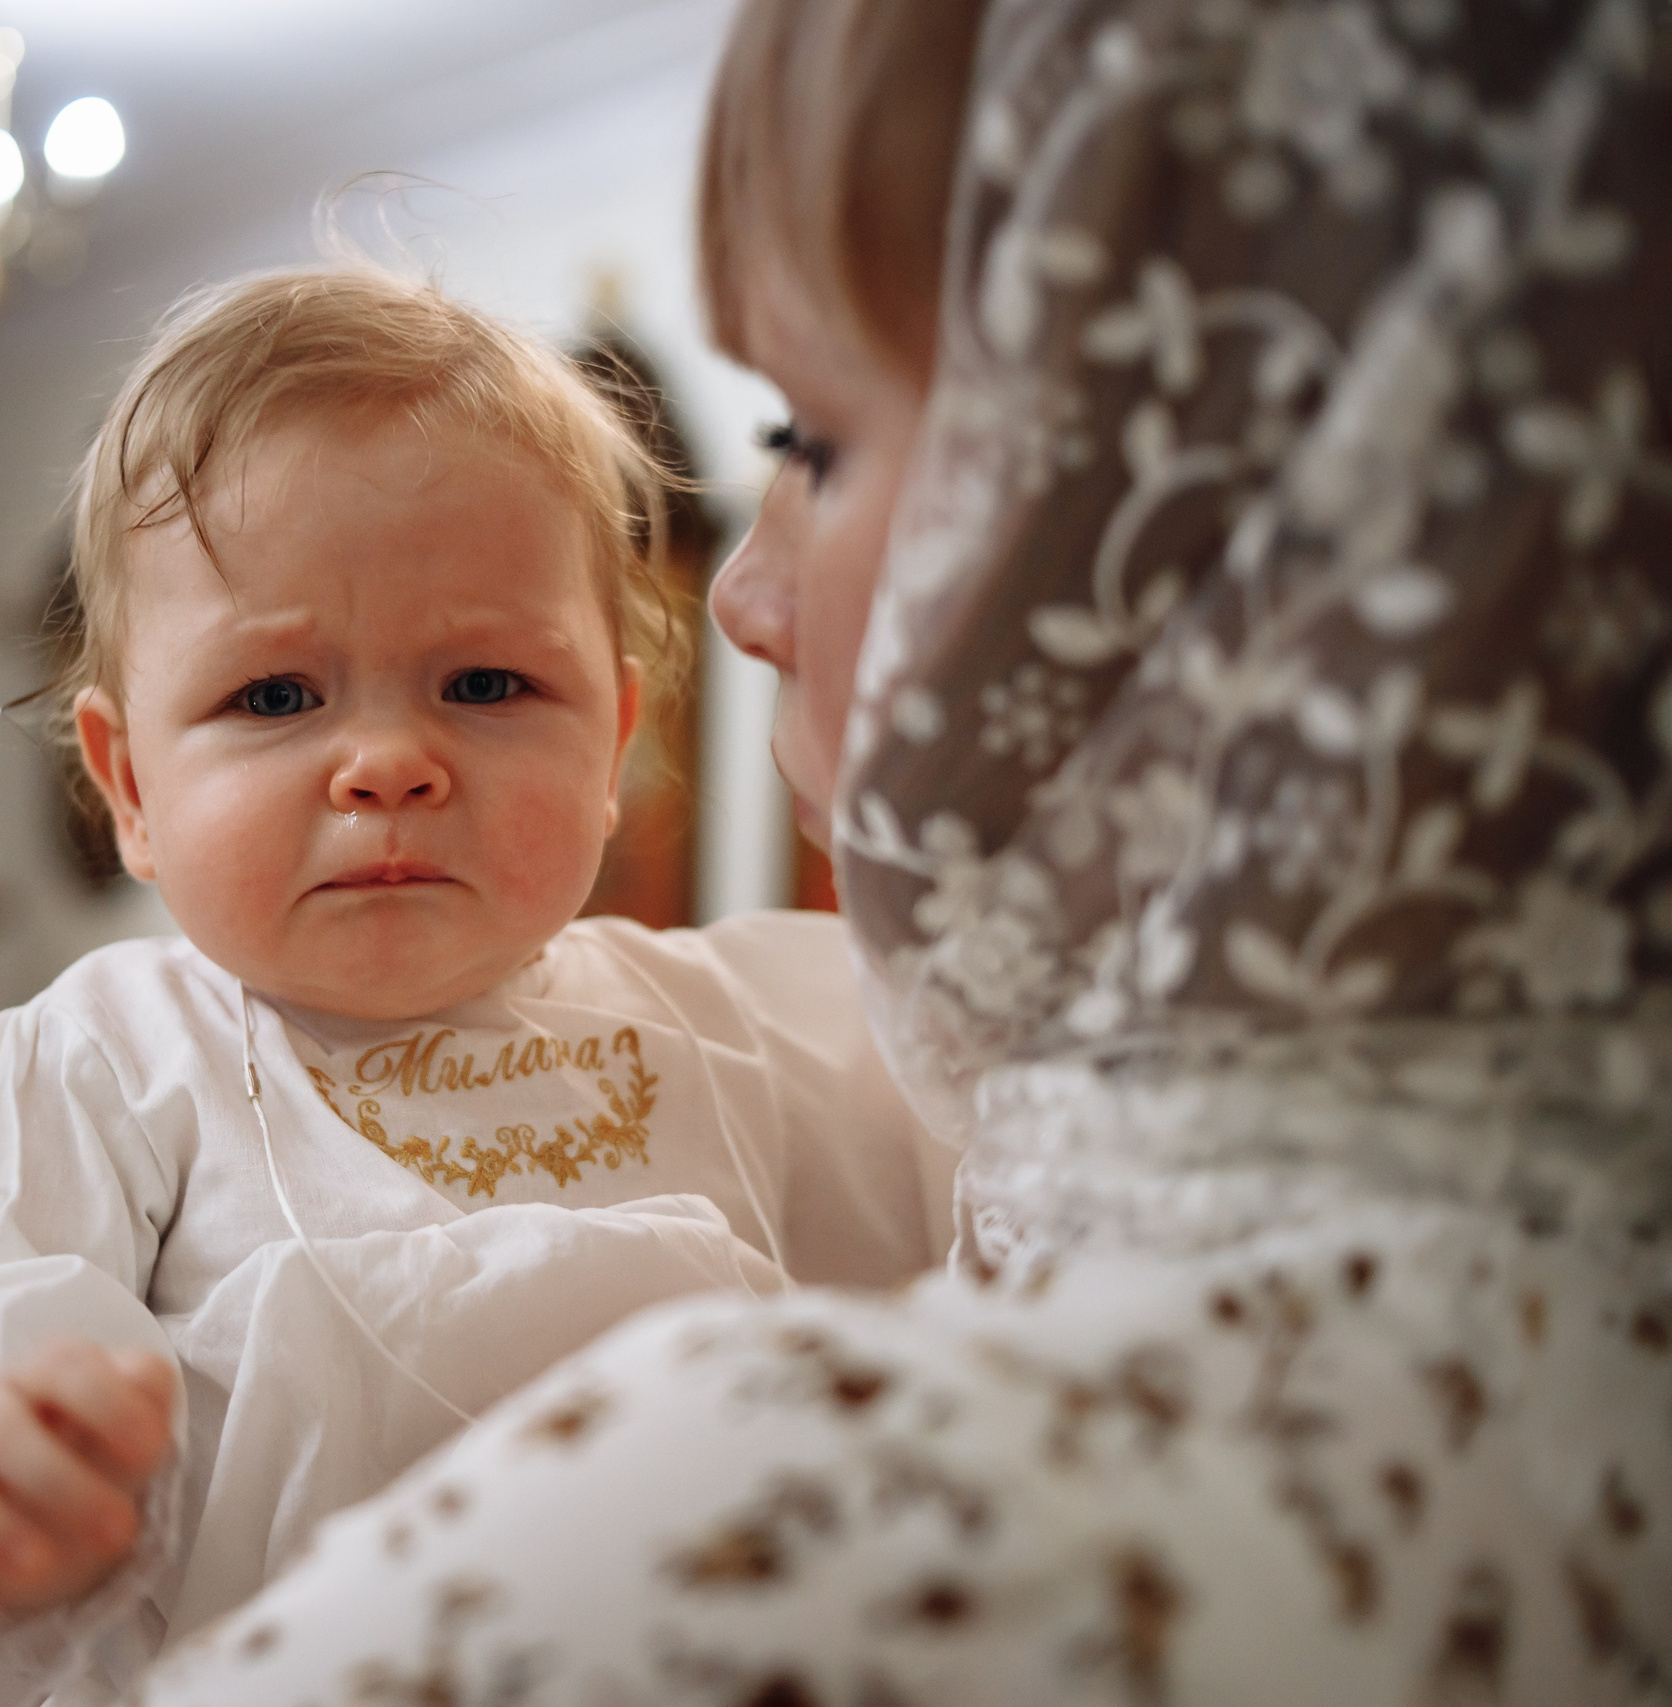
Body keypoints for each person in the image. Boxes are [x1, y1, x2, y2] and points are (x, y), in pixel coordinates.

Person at [122, 0, 1672, 1699]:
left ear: (1274, 535)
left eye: (816, 438)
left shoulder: (714, 1570)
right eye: (274, 693)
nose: (748, 597)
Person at [0, 265, 954, 1707]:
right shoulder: (113, 1059)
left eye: (485, 685)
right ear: (130, 785)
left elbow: (980, 1174)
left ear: (614, 749)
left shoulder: (728, 1027)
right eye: (276, 697)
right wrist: (5, 1460)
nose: (388, 762)